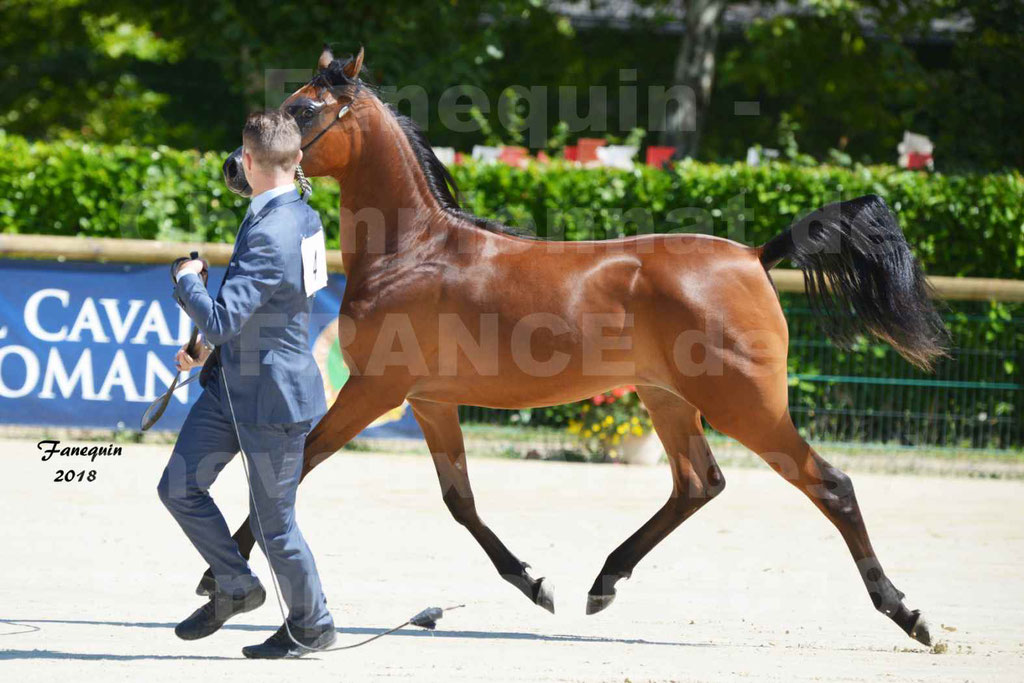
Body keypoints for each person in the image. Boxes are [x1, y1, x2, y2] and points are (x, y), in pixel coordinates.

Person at [157, 110, 335, 658]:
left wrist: (187, 284)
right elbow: (264, 306)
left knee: (273, 526)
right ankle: (236, 584)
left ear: (249, 160)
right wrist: (207, 348)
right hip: (233, 385)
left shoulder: (277, 230)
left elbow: (220, 317)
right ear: (299, 159)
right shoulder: (296, 213)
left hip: (273, 397)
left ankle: (314, 624)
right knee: (179, 488)